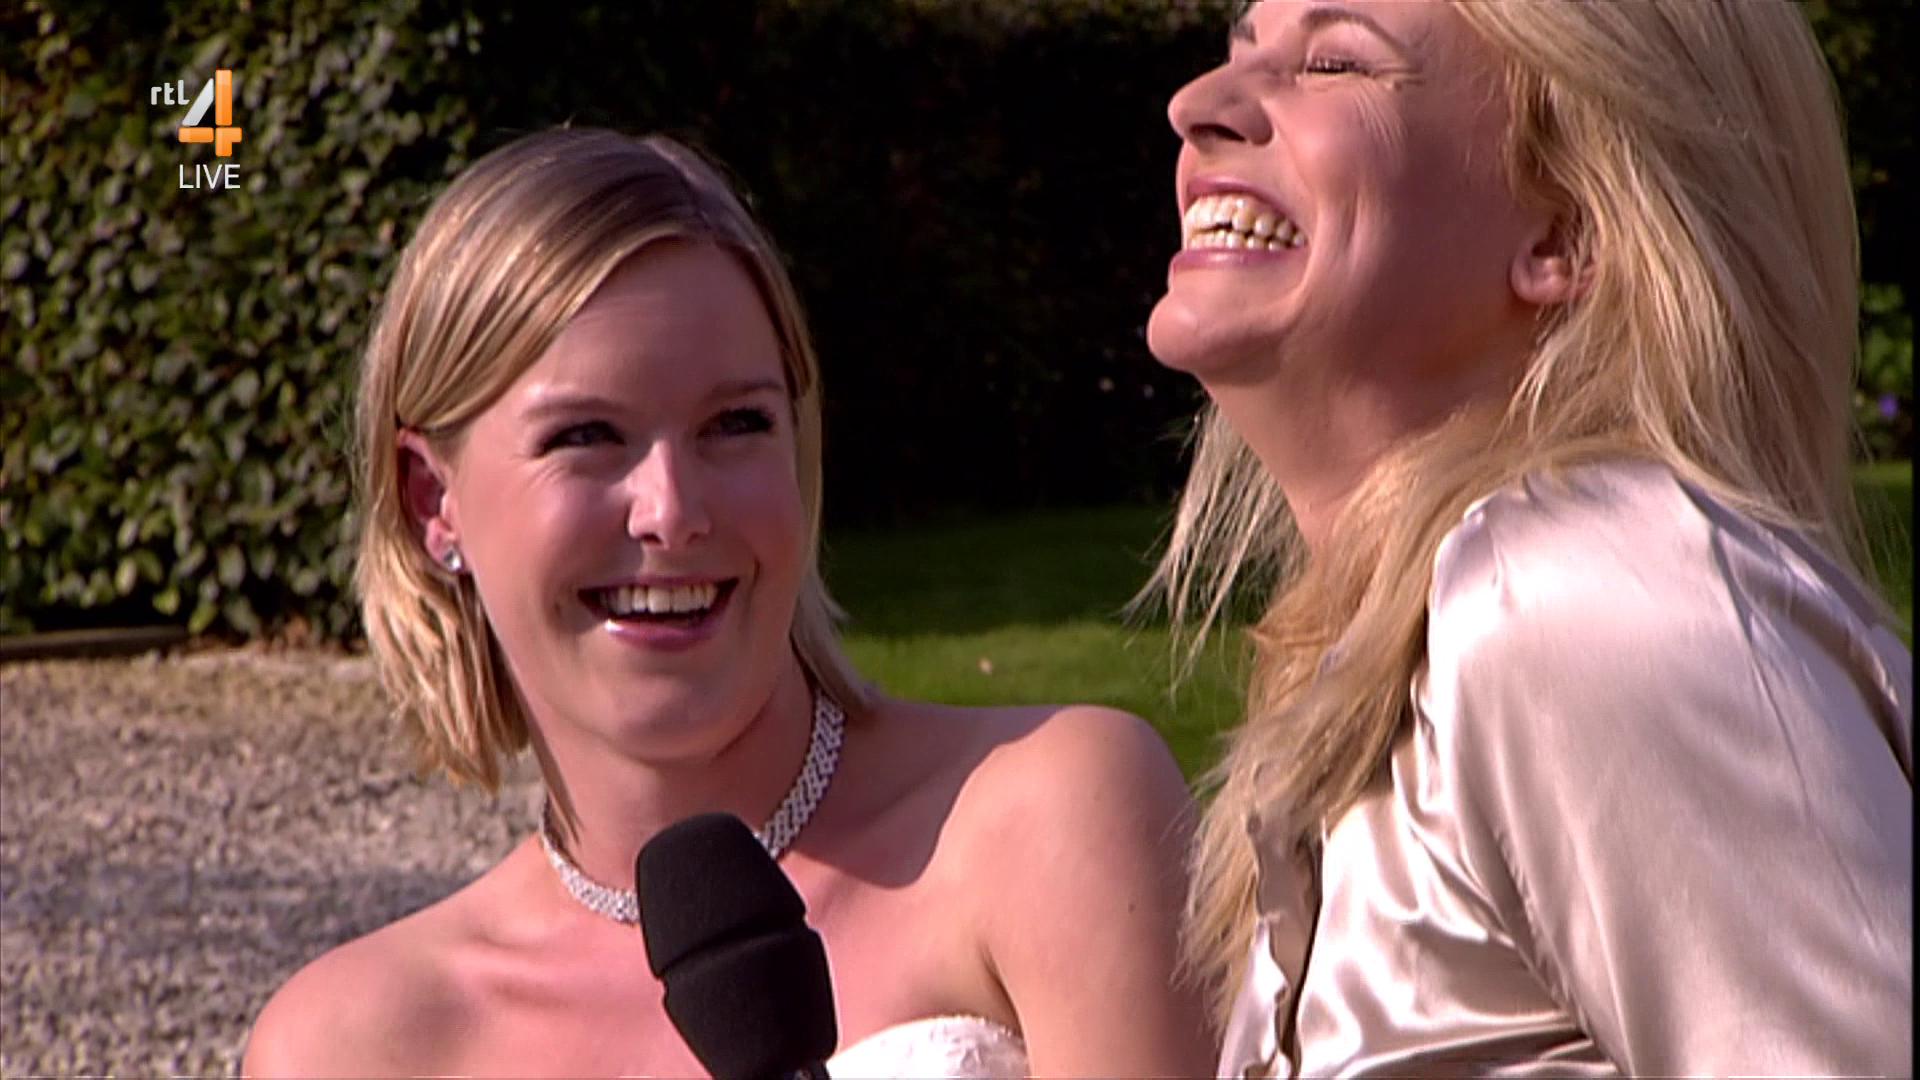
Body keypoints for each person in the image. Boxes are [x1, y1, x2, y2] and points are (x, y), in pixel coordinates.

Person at [241, 127, 1213, 1077]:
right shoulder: (346, 1047)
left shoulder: (1050, 820)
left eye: (735, 423)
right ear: (432, 500)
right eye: (586, 436)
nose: (673, 512)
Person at [1140, 0, 1913, 1075]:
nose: (1198, 105)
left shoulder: (1584, 593)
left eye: (1334, 63)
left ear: (1568, 230)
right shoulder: (1407, 649)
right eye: (1240, 51)